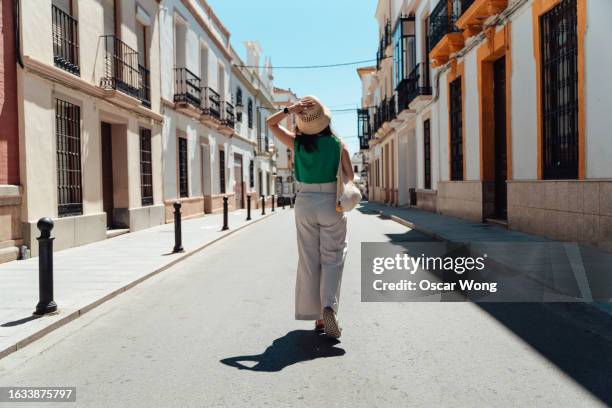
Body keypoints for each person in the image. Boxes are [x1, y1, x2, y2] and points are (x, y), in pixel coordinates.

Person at [267, 96, 354, 338]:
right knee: (333, 258)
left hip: (304, 202)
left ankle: (316, 316)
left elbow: (270, 124)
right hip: (331, 202)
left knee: (309, 259)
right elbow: (350, 176)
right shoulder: (338, 144)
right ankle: (329, 308)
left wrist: (289, 110)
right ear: (325, 120)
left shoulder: (296, 143)